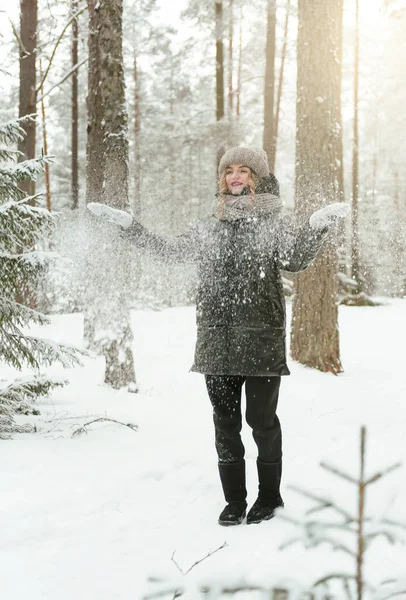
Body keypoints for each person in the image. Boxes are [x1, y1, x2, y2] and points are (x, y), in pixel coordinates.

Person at [88, 146, 349, 527]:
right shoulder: (208, 225)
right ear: (223, 179)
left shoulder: (272, 223)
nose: (236, 177)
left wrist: (316, 225)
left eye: (244, 170)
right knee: (225, 422)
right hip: (216, 341)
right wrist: (131, 227)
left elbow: (294, 259)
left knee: (262, 421)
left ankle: (271, 497)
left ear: (257, 179)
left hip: (260, 338)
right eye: (230, 171)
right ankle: (234, 501)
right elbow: (170, 252)